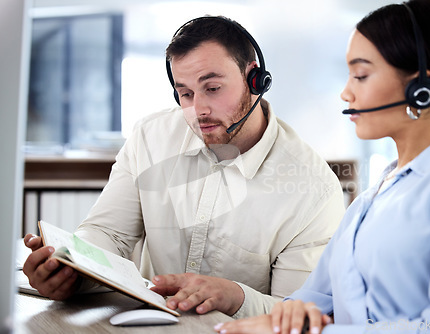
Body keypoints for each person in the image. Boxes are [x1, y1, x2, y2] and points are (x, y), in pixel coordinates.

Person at [22, 16, 345, 319]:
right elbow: (109, 235)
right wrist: (72, 272)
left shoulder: (313, 190)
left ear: (256, 79)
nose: (198, 110)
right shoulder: (151, 137)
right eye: (185, 93)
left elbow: (301, 314)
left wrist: (237, 297)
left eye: (213, 89)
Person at [214, 1, 430, 333]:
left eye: (361, 75)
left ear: (421, 90)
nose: (346, 93)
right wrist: (277, 320)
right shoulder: (370, 200)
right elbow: (311, 300)